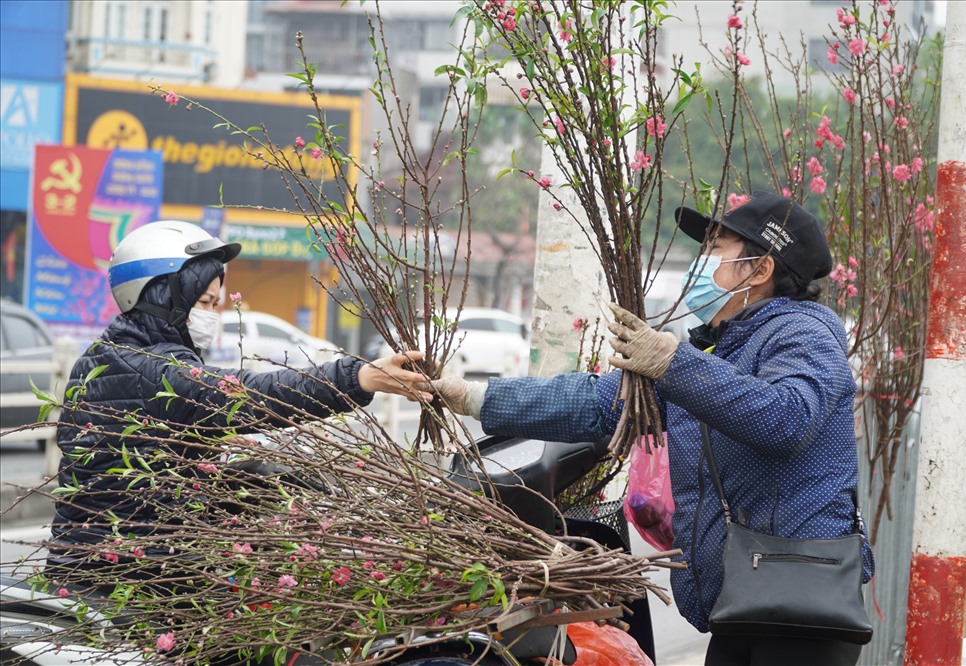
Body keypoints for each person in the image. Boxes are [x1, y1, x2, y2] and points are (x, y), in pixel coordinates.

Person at [430, 192, 874, 666]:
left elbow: (787, 419)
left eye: (718, 249)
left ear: (759, 269)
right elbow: (598, 402)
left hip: (799, 604)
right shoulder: (720, 348)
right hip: (748, 599)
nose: (703, 264)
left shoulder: (802, 333)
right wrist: (475, 397)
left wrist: (672, 362)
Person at [48, 220, 431, 576]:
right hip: (132, 574)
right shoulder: (155, 369)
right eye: (203, 303)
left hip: (101, 558)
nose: (213, 315)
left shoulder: (102, 357)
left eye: (217, 304)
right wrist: (358, 377)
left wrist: (210, 446)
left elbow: (134, 450)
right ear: (163, 297)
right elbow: (246, 395)